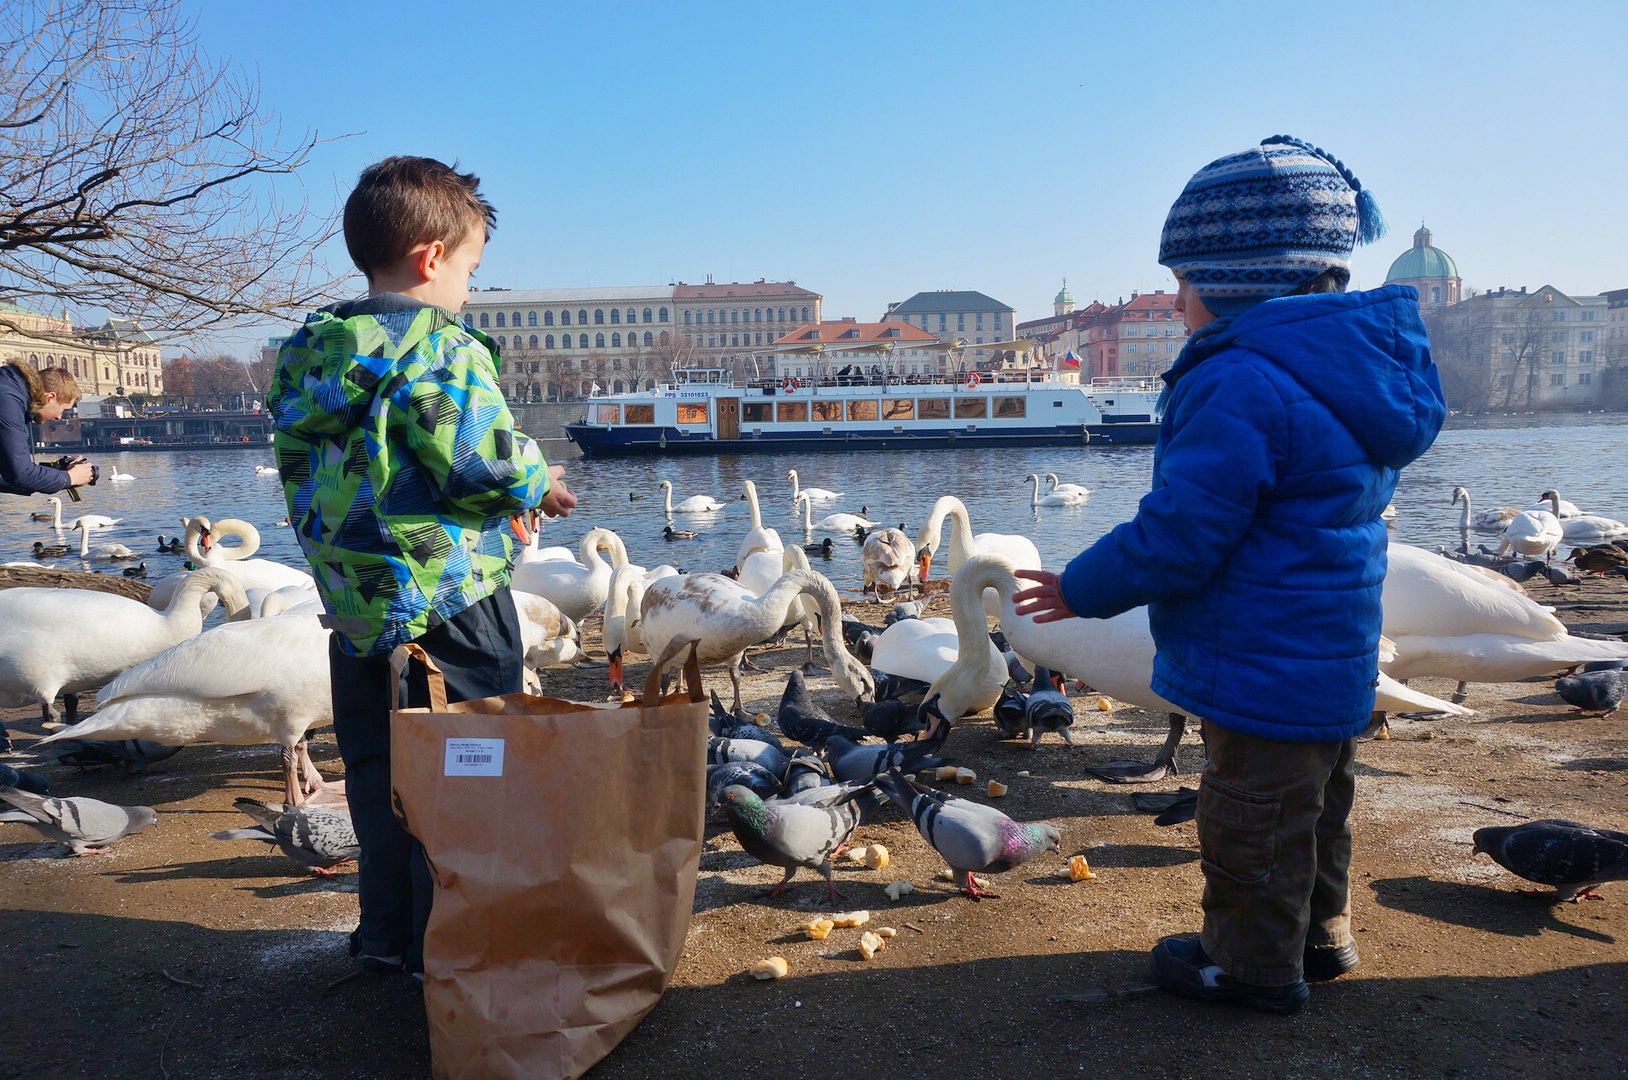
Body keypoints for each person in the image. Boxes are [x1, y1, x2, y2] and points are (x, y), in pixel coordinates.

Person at [1013, 135, 1446, 1014]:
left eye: (1183, 281)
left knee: (1248, 817)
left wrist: (1080, 588)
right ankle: (1320, 939)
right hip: (1333, 648)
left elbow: (1183, 531)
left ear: (1241, 279)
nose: (1176, 303)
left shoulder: (1242, 379)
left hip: (1257, 650)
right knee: (1318, 806)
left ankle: (1251, 968)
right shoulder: (1356, 372)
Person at [270, 155, 577, 980]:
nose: (472, 290)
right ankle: (455, 944)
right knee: (470, 774)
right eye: (472, 270)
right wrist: (539, 482)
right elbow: (476, 463)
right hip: (453, 608)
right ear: (432, 257)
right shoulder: (439, 348)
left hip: (361, 618)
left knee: (379, 778)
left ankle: (387, 937)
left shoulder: (310, 357)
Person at [0, 361, 95, 497]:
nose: (59, 418)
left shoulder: (10, 388)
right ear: (50, 397)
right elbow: (21, 475)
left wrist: (59, 472)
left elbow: (8, 473)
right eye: (63, 409)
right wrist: (70, 478)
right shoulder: (8, 403)